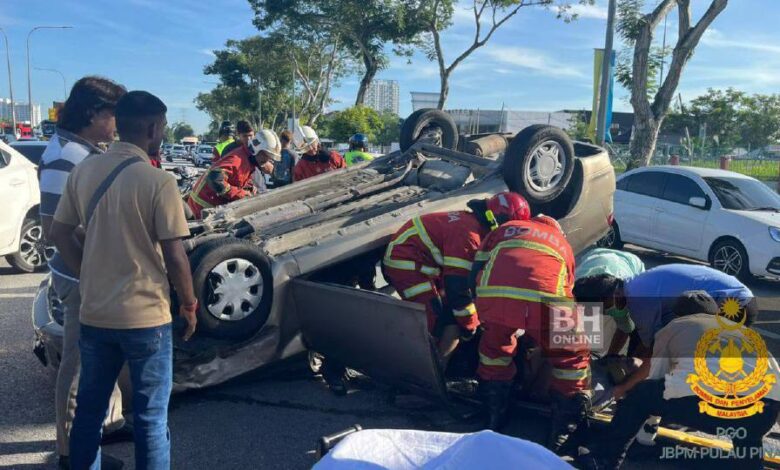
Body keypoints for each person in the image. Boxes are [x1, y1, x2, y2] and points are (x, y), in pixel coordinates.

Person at [49, 90, 198, 470]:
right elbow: (175, 255)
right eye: (163, 125)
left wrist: (86, 274)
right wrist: (189, 303)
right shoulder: (158, 181)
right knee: (150, 418)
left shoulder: (84, 171)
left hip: (95, 314)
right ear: (152, 128)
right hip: (146, 318)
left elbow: (59, 232)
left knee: (89, 411)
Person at [38, 76, 130, 470]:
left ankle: (107, 424)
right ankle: (71, 452)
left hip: (95, 273)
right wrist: (90, 273)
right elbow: (54, 227)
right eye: (115, 115)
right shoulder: (67, 156)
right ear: (93, 113)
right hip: (80, 277)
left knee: (106, 355)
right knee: (78, 366)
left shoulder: (84, 151)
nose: (118, 124)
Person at [577, 291, 780, 470]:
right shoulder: (742, 331)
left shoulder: (676, 325)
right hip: (763, 413)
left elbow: (652, 373)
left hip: (707, 406)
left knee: (641, 394)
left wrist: (621, 390)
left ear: (677, 314)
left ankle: (603, 461)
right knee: (748, 435)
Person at [471, 213, 590, 451]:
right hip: (547, 300)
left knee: (495, 349)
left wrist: (480, 305)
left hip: (494, 295)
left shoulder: (507, 228)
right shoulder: (562, 243)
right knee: (572, 359)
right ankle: (561, 433)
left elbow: (476, 268)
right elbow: (567, 287)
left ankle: (493, 417)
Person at [383, 192, 531, 361]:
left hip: (425, 263)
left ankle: (436, 360)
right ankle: (426, 366)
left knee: (450, 313)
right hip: (406, 264)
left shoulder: (473, 225)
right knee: (434, 320)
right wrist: (469, 325)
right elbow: (458, 289)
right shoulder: (469, 236)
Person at [574, 264, 757, 399]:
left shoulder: (640, 302)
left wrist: (622, 388)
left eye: (604, 309)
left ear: (611, 297)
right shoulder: (635, 286)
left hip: (735, 305)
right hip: (737, 297)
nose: (606, 313)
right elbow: (649, 344)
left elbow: (655, 355)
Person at [187, 130, 280, 219]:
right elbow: (215, 179)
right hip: (202, 209)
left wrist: (249, 188)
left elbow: (237, 178)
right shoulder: (237, 160)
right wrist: (241, 195)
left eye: (270, 157)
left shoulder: (247, 159)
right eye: (266, 155)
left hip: (210, 208)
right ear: (257, 149)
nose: (268, 160)